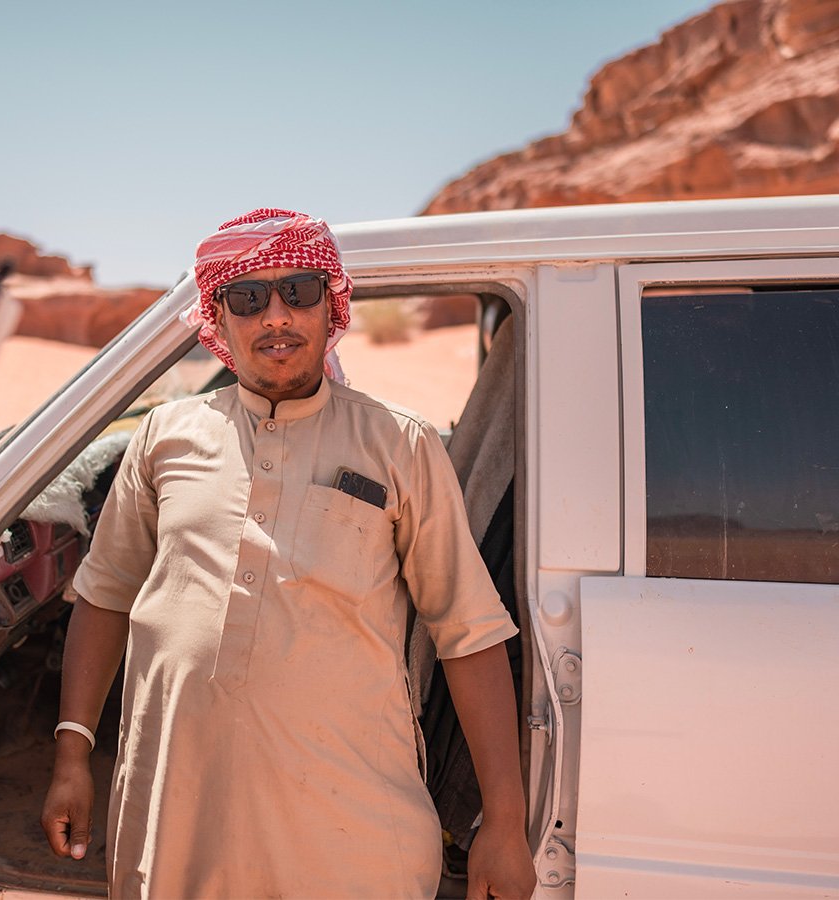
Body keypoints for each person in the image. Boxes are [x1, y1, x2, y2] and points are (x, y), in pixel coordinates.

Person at [41, 208, 537, 899]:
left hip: (351, 839)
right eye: (248, 299)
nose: (276, 316)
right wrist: (72, 753)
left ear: (330, 304)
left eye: (298, 291)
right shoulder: (165, 436)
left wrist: (505, 825)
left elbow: (470, 634)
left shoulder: (399, 444)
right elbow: (106, 593)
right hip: (176, 825)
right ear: (218, 318)